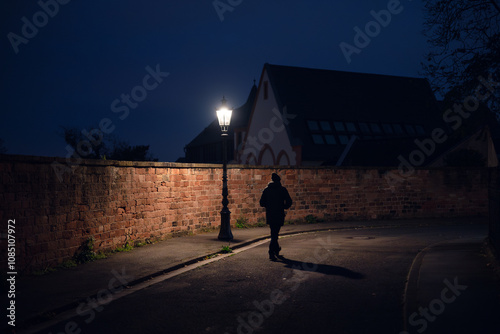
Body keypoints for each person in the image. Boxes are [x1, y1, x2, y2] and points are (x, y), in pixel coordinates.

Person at [259, 173, 293, 261]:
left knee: (274, 233)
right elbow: (289, 201)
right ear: (279, 180)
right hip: (279, 214)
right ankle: (271, 252)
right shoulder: (282, 190)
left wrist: (269, 205)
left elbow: (262, 203)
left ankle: (276, 250)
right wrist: (284, 207)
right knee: (275, 234)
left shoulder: (267, 190)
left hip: (270, 214)